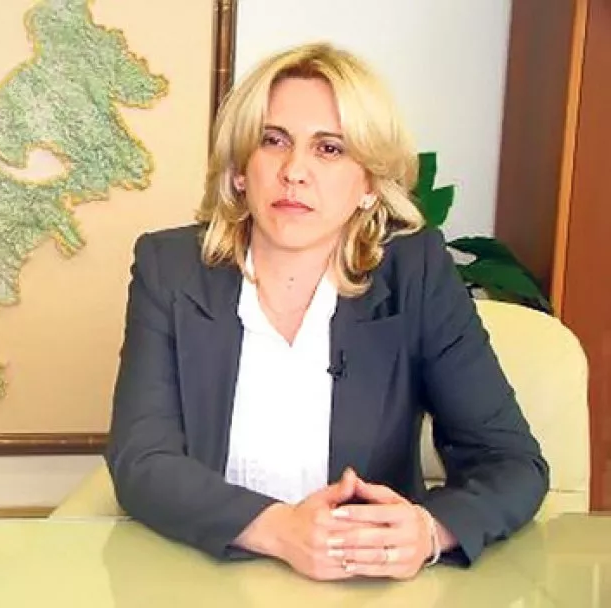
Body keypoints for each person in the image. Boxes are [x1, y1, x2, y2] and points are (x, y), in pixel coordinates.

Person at [105, 42, 548, 582]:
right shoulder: (171, 268)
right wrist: (277, 529)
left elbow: (511, 462)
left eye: (330, 149)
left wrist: (429, 531)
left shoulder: (415, 273)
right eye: (273, 141)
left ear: (369, 185)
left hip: (362, 585)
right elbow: (142, 459)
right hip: (202, 575)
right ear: (241, 169)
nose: (295, 171)